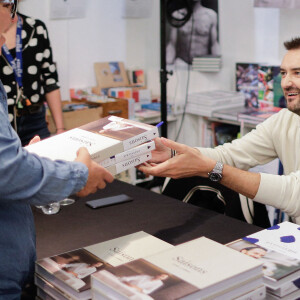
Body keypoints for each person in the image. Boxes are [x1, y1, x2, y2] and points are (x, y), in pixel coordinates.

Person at [0, 1, 114, 298]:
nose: (3, 41)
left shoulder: (36, 28)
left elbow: (6, 165)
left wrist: (23, 155)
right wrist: (79, 175)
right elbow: (7, 171)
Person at [138, 36, 300, 225]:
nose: (286, 82)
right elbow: (231, 154)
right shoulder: (285, 120)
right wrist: (174, 153)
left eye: (297, 73)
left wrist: (211, 169)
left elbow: (292, 193)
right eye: (283, 73)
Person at [0, 8, 65, 146]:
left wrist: (60, 128)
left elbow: (50, 80)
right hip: (3, 124)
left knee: (45, 163)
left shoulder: (36, 28)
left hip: (34, 120)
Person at [166, 0, 220, 66]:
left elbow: (214, 44)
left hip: (203, 65)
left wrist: (216, 65)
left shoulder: (211, 15)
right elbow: (172, 44)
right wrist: (169, 64)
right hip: (182, 65)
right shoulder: (177, 15)